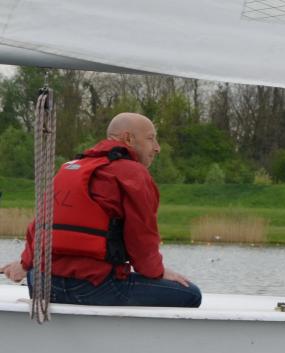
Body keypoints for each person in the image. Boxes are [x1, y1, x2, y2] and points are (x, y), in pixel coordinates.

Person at [0, 113, 201, 307]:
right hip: (94, 287)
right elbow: (141, 238)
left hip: (43, 285)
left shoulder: (70, 168)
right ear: (128, 139)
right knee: (191, 294)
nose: (157, 147)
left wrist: (25, 264)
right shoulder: (133, 173)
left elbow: (38, 227)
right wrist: (158, 272)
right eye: (150, 139)